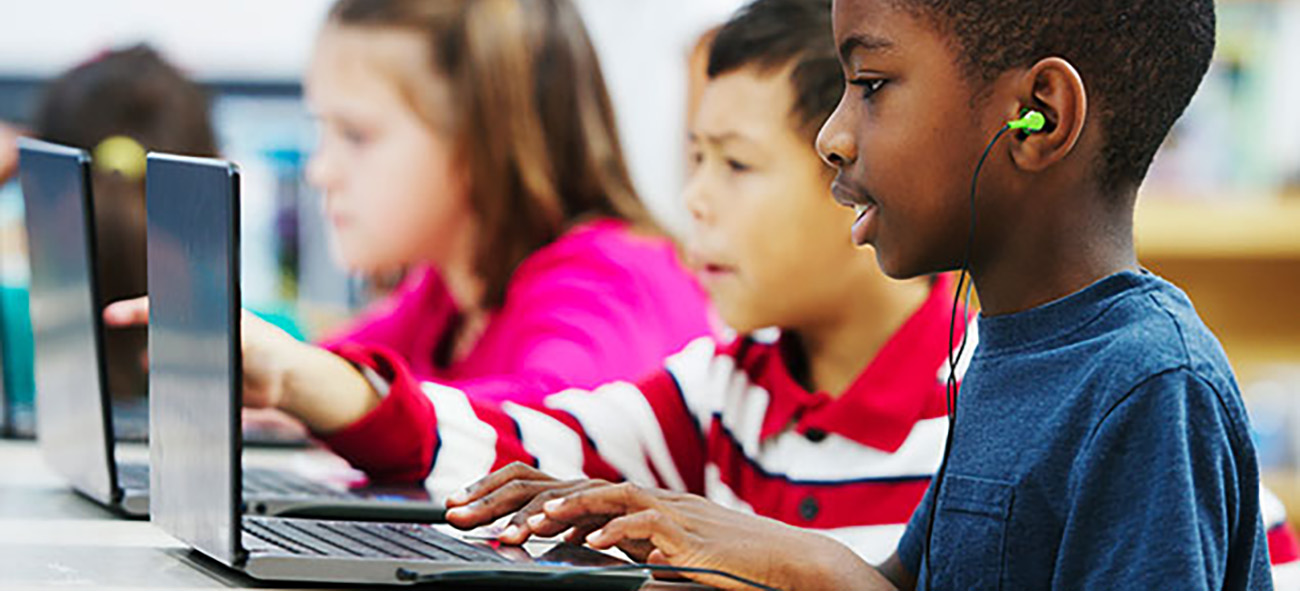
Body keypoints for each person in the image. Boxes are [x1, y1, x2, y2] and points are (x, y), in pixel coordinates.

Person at [459, 0, 1279, 589]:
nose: (833, 134)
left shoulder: (1145, 383)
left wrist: (784, 560)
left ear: (1039, 114)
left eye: (872, 85)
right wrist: (712, 538)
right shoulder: (1005, 350)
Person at [105, 0, 713, 454]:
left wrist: (314, 387)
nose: (320, 171)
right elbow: (344, 366)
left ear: (484, 138)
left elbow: (555, 437)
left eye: (356, 135)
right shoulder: (450, 292)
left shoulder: (613, 281)